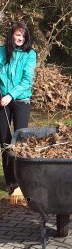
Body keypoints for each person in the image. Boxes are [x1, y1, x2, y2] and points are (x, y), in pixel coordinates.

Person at [0, 21, 37, 194]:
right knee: (5, 141)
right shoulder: (1, 51)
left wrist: (10, 95)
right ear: (11, 35)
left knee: (20, 140)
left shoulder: (30, 54)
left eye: (23, 35)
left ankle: (22, 180)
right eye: (17, 34)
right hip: (2, 102)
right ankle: (10, 181)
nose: (20, 38)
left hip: (21, 101)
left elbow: (27, 81)